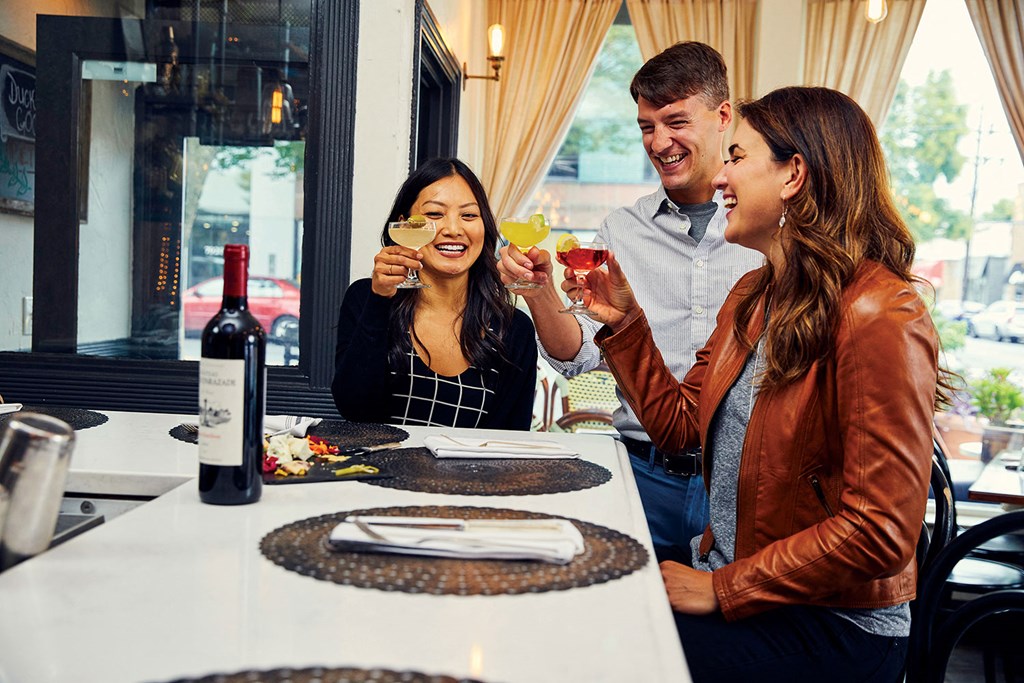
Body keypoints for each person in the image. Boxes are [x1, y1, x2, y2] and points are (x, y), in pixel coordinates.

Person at [582, 86, 947, 681]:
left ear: (793, 175)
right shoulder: (753, 296)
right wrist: (624, 323)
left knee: (604, 653)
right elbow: (680, 428)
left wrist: (722, 589)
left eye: (737, 157)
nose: (720, 178)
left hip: (833, 625)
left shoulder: (879, 311)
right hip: (746, 591)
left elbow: (880, 532)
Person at [498, 42, 763, 563]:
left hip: (743, 481)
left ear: (722, 116)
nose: (659, 143)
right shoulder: (620, 230)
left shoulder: (762, 230)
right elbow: (583, 357)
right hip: (642, 473)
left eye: (676, 122)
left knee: (727, 610)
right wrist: (540, 291)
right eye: (647, 127)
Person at [332, 158, 537, 430]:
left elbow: (511, 439)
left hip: (471, 462)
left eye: (468, 215)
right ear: (404, 225)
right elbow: (353, 409)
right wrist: (379, 299)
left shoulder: (514, 329)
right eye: (434, 214)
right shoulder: (366, 297)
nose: (453, 230)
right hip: (380, 459)